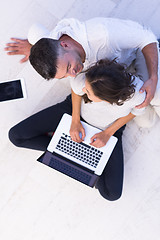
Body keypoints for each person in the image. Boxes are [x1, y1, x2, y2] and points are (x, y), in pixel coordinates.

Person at [9, 59, 147, 201]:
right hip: (74, 111)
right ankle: (68, 150)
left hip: (109, 128)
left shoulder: (138, 94)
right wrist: (75, 121)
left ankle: (82, 155)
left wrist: (107, 133)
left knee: (112, 194)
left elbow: (136, 112)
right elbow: (76, 91)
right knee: (16, 136)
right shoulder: (88, 77)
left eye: (87, 92)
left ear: (105, 100)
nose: (83, 91)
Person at [4, 17, 160, 112]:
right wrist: (33, 49)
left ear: (65, 45)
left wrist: (153, 78)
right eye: (64, 75)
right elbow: (35, 30)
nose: (72, 73)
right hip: (107, 69)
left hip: (135, 53)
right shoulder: (51, 41)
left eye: (68, 67)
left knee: (152, 97)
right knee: (77, 86)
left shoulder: (104, 35)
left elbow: (147, 38)